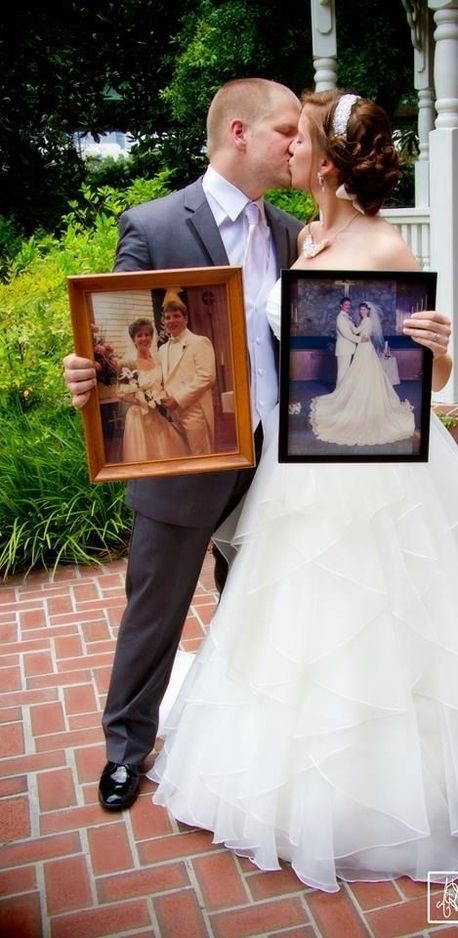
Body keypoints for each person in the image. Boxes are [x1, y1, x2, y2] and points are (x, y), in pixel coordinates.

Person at [148, 90, 458, 891]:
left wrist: (440, 349)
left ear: (331, 164)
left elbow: (430, 376)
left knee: (385, 609)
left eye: (301, 142)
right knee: (298, 614)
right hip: (300, 461)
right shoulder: (302, 236)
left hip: (378, 468)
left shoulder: (384, 249)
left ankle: (394, 789)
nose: (290, 154)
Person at [62, 78, 303, 811]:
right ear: (238, 131)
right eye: (286, 131)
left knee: (254, 602)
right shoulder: (156, 223)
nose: (298, 144)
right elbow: (113, 331)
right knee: (154, 609)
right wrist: (87, 370)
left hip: (273, 459)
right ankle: (125, 750)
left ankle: (242, 736)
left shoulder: (293, 232)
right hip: (184, 456)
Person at [310, 299, 415, 445]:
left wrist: (360, 336)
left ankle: (348, 397)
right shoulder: (342, 318)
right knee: (348, 374)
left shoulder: (366, 321)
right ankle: (342, 397)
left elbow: (359, 332)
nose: (361, 311)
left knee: (356, 373)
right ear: (341, 306)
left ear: (368, 311)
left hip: (362, 348)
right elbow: (351, 333)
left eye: (364, 310)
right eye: (360, 310)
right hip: (356, 348)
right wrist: (360, 338)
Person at [117, 317, 189, 462]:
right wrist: (142, 399)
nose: (144, 338)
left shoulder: (158, 360)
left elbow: (162, 385)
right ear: (133, 339)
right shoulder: (127, 363)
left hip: (156, 413)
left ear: (151, 336)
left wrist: (159, 399)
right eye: (139, 335)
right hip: (139, 417)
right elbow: (120, 393)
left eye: (147, 334)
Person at [157, 291, 216, 455]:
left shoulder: (199, 342)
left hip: (194, 410)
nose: (171, 321)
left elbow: (207, 378)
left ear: (186, 319)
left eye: (176, 316)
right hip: (172, 413)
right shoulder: (162, 349)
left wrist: (178, 399)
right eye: (167, 318)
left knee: (201, 455)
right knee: (182, 454)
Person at [333, 296, 360, 385]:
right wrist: (360, 339)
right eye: (346, 304)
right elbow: (346, 334)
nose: (348, 306)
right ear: (341, 306)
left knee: (347, 374)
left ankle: (344, 394)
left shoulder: (347, 317)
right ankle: (339, 394)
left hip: (349, 349)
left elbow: (355, 330)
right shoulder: (340, 318)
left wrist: (365, 327)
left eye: (349, 304)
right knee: (342, 373)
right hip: (344, 349)